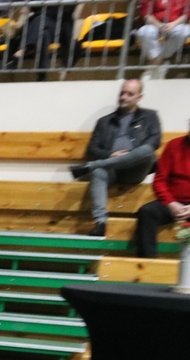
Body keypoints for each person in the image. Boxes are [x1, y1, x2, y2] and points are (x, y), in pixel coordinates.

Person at [72, 79, 162, 238]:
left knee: (148, 151)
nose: (124, 97)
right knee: (98, 172)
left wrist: (130, 155)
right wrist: (110, 155)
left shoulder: (150, 117)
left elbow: (155, 141)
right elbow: (92, 149)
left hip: (135, 170)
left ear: (139, 97)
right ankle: (100, 222)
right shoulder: (104, 122)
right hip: (111, 170)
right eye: (122, 93)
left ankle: (92, 166)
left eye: (130, 94)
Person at [135, 127, 190, 258]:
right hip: (173, 203)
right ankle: (148, 261)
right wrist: (171, 203)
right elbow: (159, 180)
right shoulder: (174, 145)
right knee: (147, 212)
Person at [136, 0, 190, 73]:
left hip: (177, 23)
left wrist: (173, 24)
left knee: (184, 31)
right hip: (156, 24)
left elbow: (188, 12)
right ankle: (159, 63)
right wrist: (159, 25)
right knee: (143, 32)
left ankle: (154, 63)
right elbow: (145, 11)